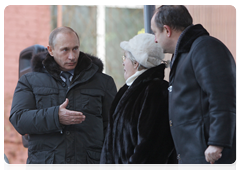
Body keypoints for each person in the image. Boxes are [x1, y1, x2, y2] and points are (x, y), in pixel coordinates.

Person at [9, 26, 117, 170]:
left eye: (75, 49)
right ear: (50, 50)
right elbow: (19, 119)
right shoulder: (29, 81)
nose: (72, 56)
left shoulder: (103, 82)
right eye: (65, 50)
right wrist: (55, 116)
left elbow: (113, 128)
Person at [151, 5, 238, 170]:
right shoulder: (186, 53)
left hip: (211, 158)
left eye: (155, 32)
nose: (155, 39)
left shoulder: (204, 47)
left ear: (167, 30)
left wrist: (217, 142)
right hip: (195, 157)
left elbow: (223, 95)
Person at [99, 33, 177, 170]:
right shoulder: (128, 90)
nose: (123, 62)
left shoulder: (156, 91)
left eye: (125, 57)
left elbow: (151, 147)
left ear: (136, 63)